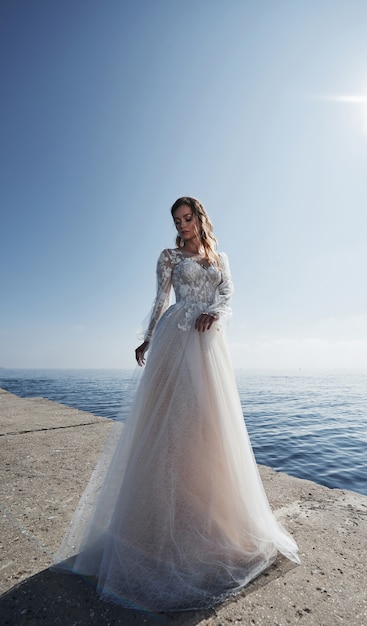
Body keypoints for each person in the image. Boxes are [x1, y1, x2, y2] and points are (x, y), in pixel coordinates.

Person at [52, 197, 299, 611]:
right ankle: (157, 527)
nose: (183, 226)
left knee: (210, 428)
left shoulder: (219, 256)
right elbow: (160, 299)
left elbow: (229, 291)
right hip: (175, 338)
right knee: (171, 427)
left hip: (208, 345)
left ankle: (209, 517)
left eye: (188, 218)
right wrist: (148, 337)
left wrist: (216, 313)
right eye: (178, 221)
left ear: (200, 218)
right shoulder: (168, 256)